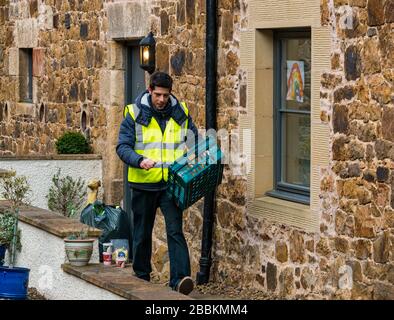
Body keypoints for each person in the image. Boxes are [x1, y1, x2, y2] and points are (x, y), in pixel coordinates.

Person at [116, 71, 199, 295]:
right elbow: (122, 147)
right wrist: (139, 160)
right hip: (143, 184)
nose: (162, 100)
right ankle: (142, 278)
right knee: (142, 233)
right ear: (150, 90)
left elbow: (194, 141)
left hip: (171, 184)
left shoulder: (180, 113)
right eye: (158, 95)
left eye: (166, 95)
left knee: (175, 231)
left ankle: (180, 281)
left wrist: (192, 155)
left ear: (170, 93)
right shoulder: (134, 114)